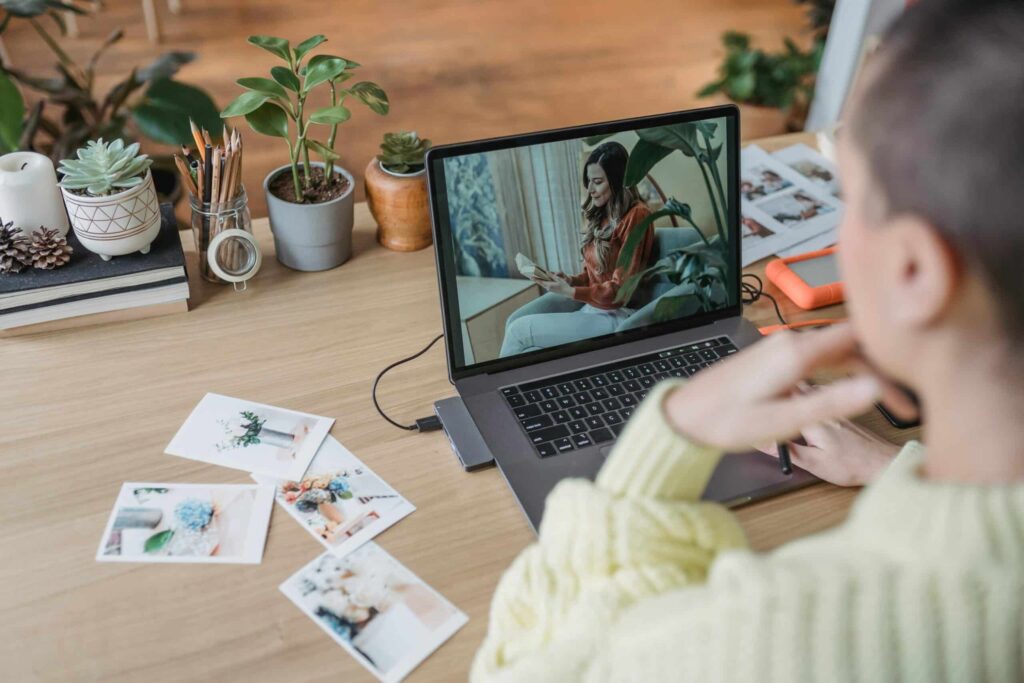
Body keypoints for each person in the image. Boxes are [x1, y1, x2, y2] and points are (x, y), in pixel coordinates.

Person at [473, 1, 1024, 681]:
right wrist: (888, 465)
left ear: (914, 270)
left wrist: (666, 436)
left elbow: (516, 668)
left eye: (848, 197)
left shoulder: (775, 629)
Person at [499, 142, 653, 357]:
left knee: (518, 332)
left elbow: (620, 290)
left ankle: (499, 390)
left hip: (618, 315)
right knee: (517, 328)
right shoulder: (602, 215)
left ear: (618, 181)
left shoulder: (637, 216)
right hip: (594, 310)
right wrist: (570, 281)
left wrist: (568, 292)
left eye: (597, 182)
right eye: (589, 181)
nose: (590, 189)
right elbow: (594, 277)